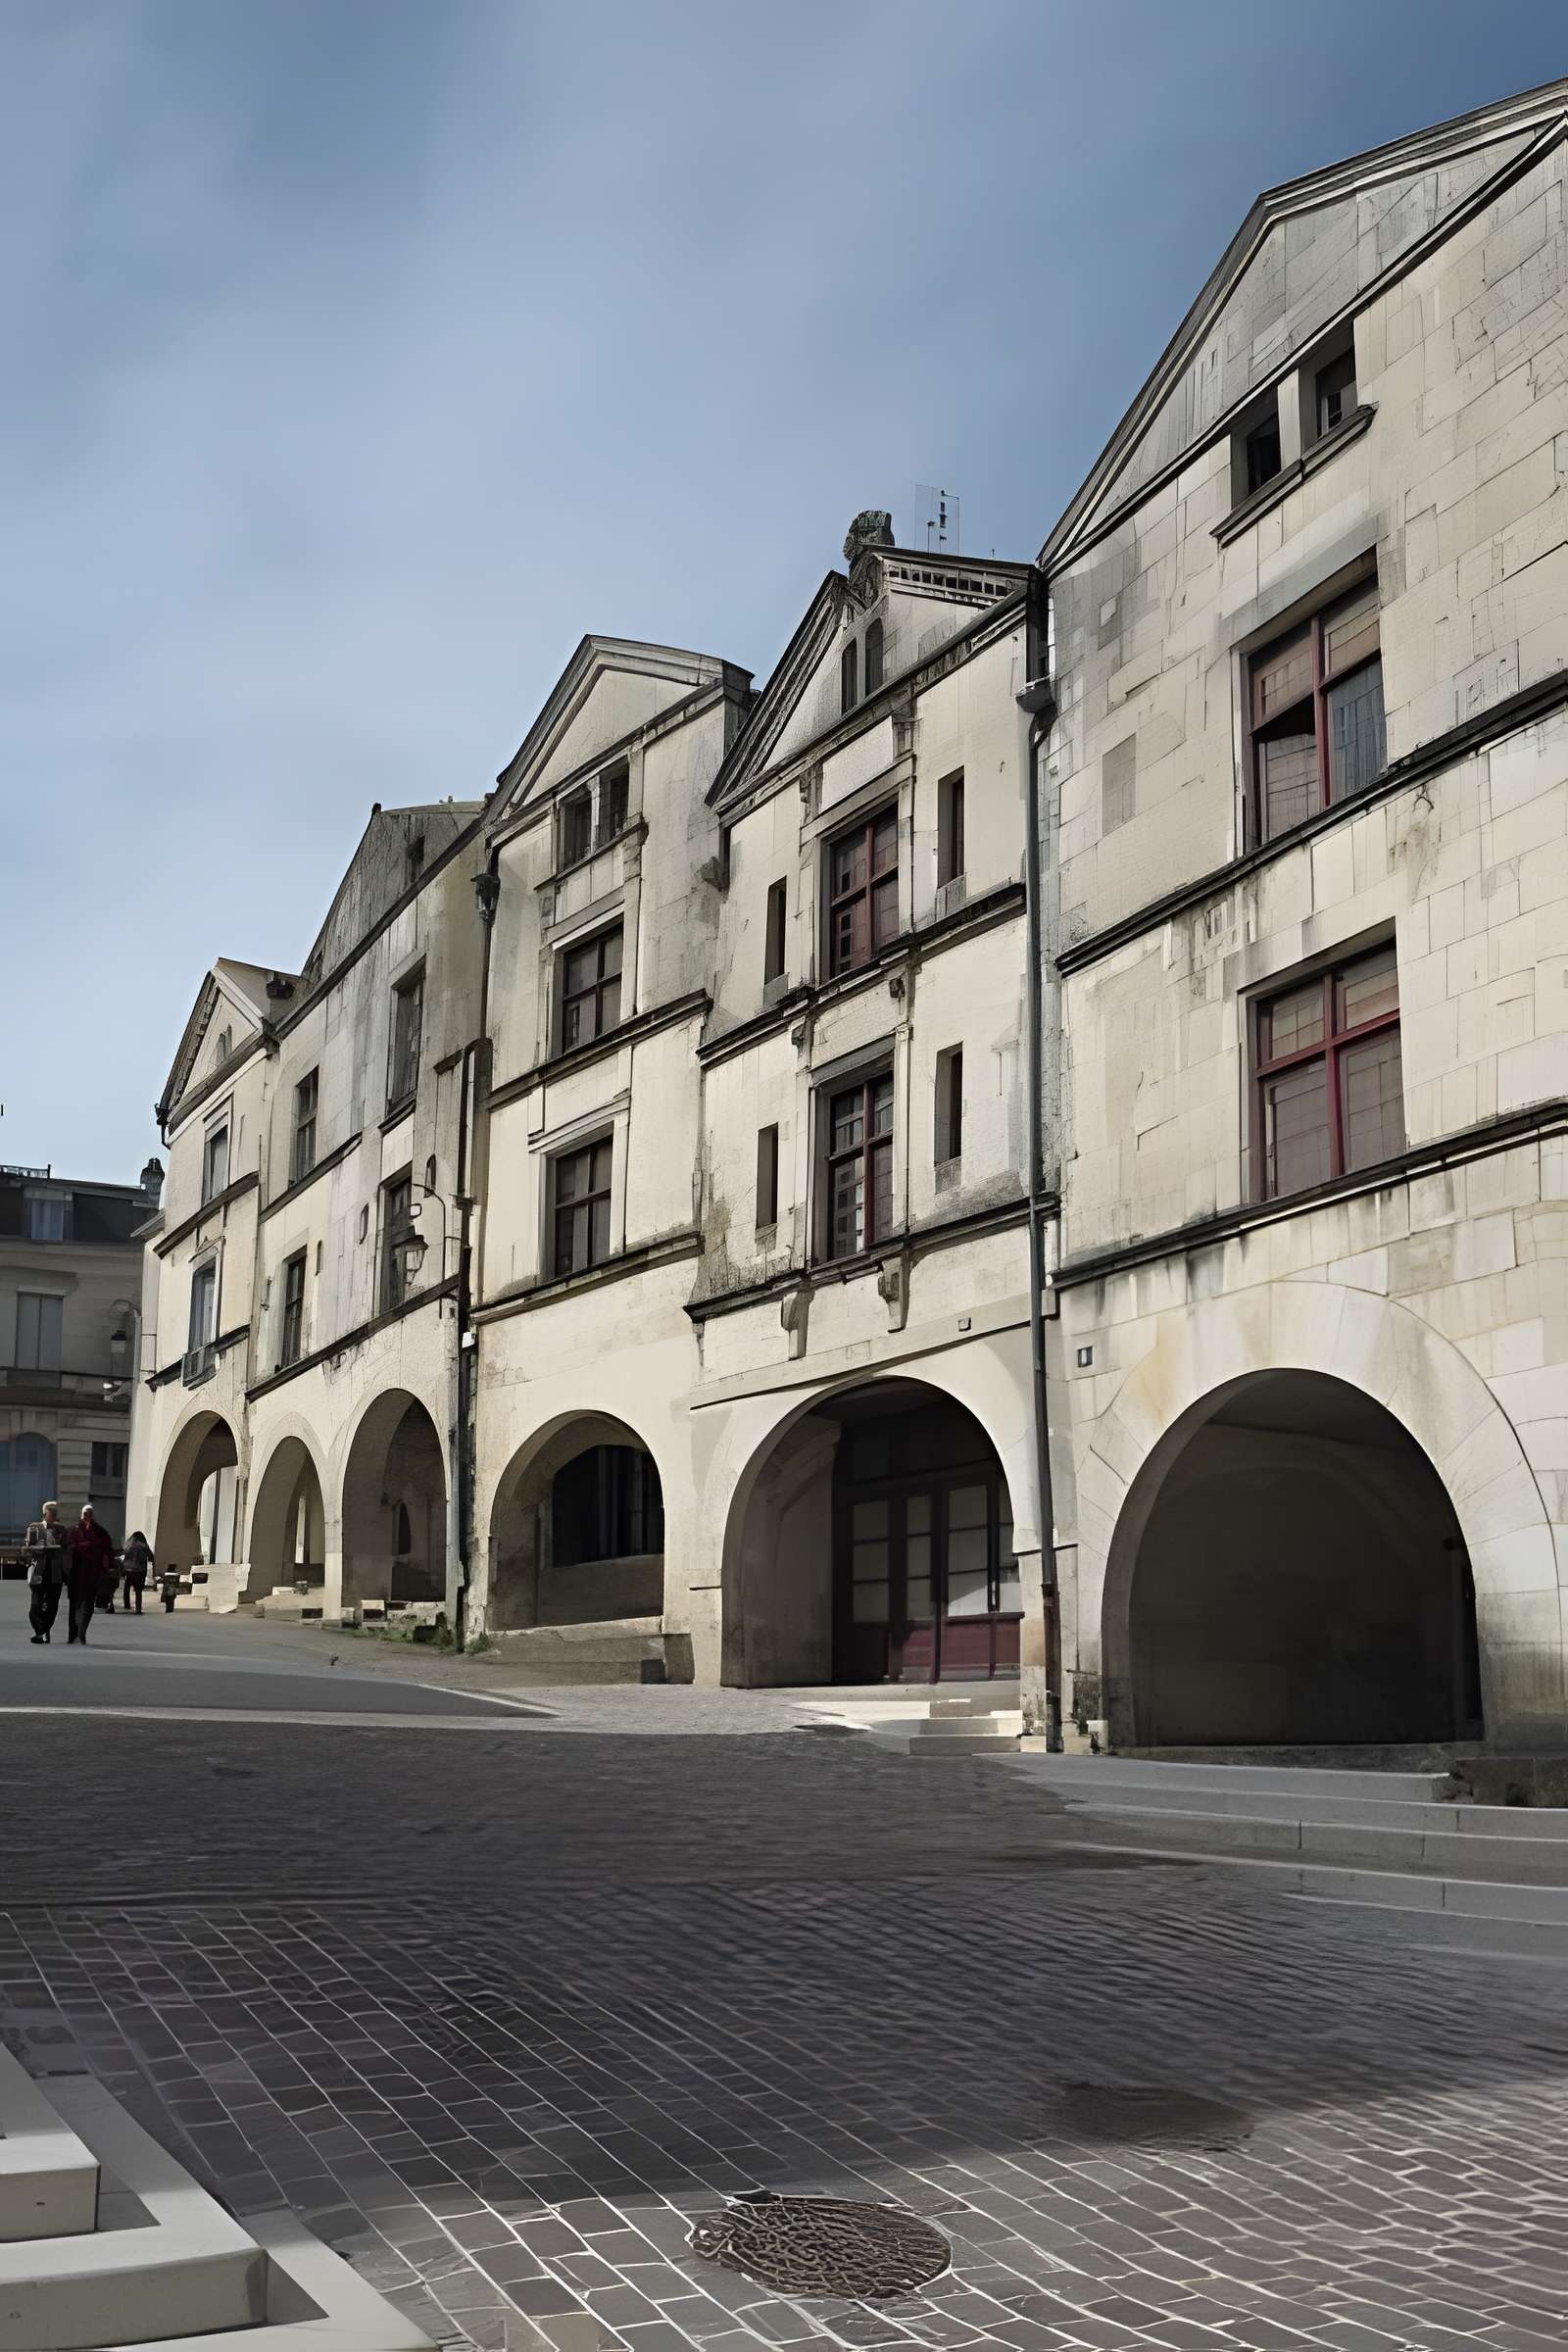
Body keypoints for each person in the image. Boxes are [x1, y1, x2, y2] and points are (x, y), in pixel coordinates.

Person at [66, 1505, 115, 1645]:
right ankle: (73, 1633)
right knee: (76, 1603)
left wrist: (108, 1567)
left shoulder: (100, 1532)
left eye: (89, 1514)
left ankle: (82, 1631)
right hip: (76, 1573)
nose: (87, 1516)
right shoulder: (74, 1531)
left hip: (93, 1573)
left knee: (88, 1602)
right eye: (85, 1514)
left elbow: (108, 1550)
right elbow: (68, 1549)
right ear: (81, 1515)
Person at [24, 1501, 69, 1643]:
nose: (54, 1516)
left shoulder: (61, 1529)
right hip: (39, 1569)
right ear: (44, 1514)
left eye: (56, 1513)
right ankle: (40, 1631)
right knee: (36, 1605)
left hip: (55, 1571)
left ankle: (44, 1631)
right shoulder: (34, 1527)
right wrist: (38, 1549)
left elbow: (67, 1547)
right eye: (51, 1513)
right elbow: (28, 1547)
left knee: (52, 1604)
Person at [120, 1531, 154, 1615]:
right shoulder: (144, 1546)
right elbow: (151, 1557)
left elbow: (122, 1553)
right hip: (140, 1570)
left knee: (127, 1587)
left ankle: (127, 1604)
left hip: (129, 1569)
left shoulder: (128, 1544)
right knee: (138, 1590)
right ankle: (138, 1608)